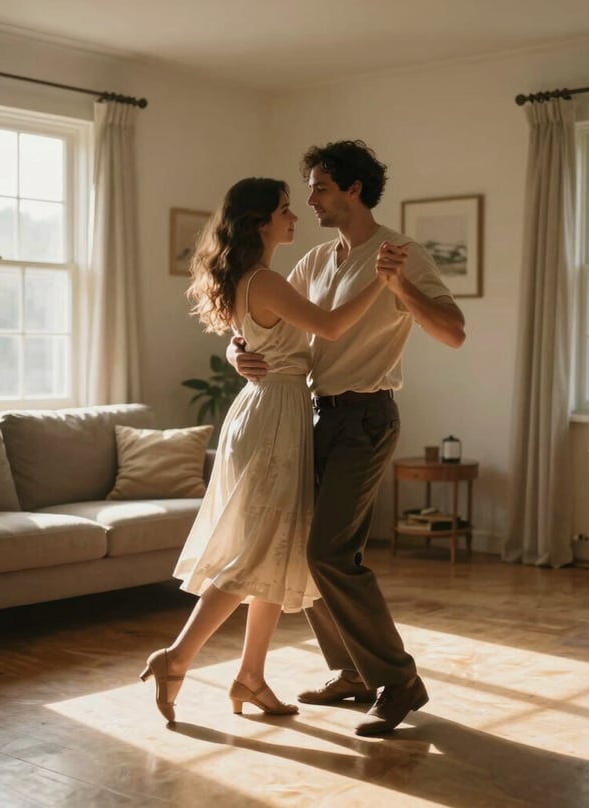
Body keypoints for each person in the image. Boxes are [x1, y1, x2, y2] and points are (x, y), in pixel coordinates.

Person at [229, 141, 466, 736]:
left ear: (353, 190)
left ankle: (398, 681)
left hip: (367, 418)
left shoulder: (399, 252)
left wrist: (400, 288)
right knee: (298, 545)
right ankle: (355, 673)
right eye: (307, 190)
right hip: (316, 416)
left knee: (330, 553)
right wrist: (238, 352)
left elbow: (454, 332)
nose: (309, 199)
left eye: (320, 188)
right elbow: (278, 326)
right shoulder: (315, 260)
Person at [141, 176, 391, 724]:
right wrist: (382, 282)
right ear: (259, 223)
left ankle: (251, 676)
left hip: (266, 409)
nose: (294, 216)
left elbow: (252, 340)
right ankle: (177, 658)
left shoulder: (248, 280)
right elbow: (328, 326)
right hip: (272, 417)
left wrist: (238, 353)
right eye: (283, 209)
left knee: (277, 550)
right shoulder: (265, 280)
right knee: (256, 551)